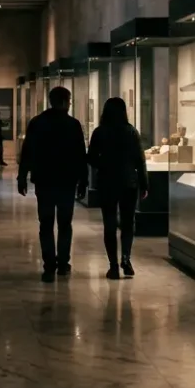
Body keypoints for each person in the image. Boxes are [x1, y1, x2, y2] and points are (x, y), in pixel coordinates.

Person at [17, 86, 87, 283]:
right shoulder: (72, 125)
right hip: (66, 181)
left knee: (46, 224)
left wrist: (22, 176)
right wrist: (83, 181)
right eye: (70, 100)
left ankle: (49, 265)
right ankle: (63, 263)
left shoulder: (38, 123)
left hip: (45, 180)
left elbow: (27, 152)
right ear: (65, 101)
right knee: (65, 224)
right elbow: (80, 155)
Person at [86, 98, 148, 280]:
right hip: (129, 182)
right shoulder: (131, 132)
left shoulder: (100, 132)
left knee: (110, 223)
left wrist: (104, 164)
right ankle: (126, 258)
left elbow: (90, 157)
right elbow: (140, 160)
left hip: (107, 182)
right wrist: (145, 184)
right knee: (128, 223)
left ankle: (113, 265)